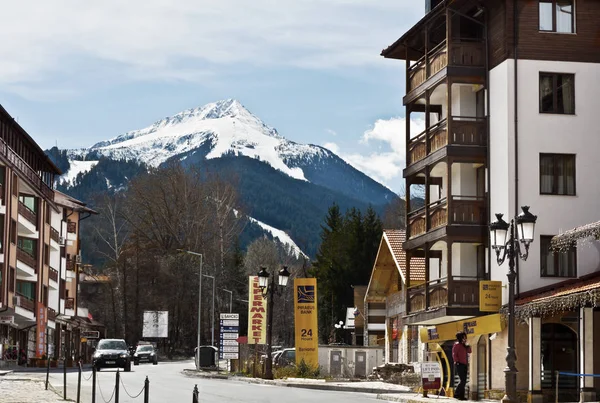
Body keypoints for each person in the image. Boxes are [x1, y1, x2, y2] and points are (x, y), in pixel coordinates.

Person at [452, 331, 471, 401]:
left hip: (465, 364)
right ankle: (457, 394)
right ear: (460, 338)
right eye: (463, 337)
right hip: (459, 364)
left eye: (465, 337)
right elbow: (454, 354)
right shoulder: (456, 345)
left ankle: (461, 396)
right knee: (462, 380)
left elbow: (470, 351)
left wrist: (467, 345)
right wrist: (456, 361)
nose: (465, 338)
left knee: (464, 381)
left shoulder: (464, 345)